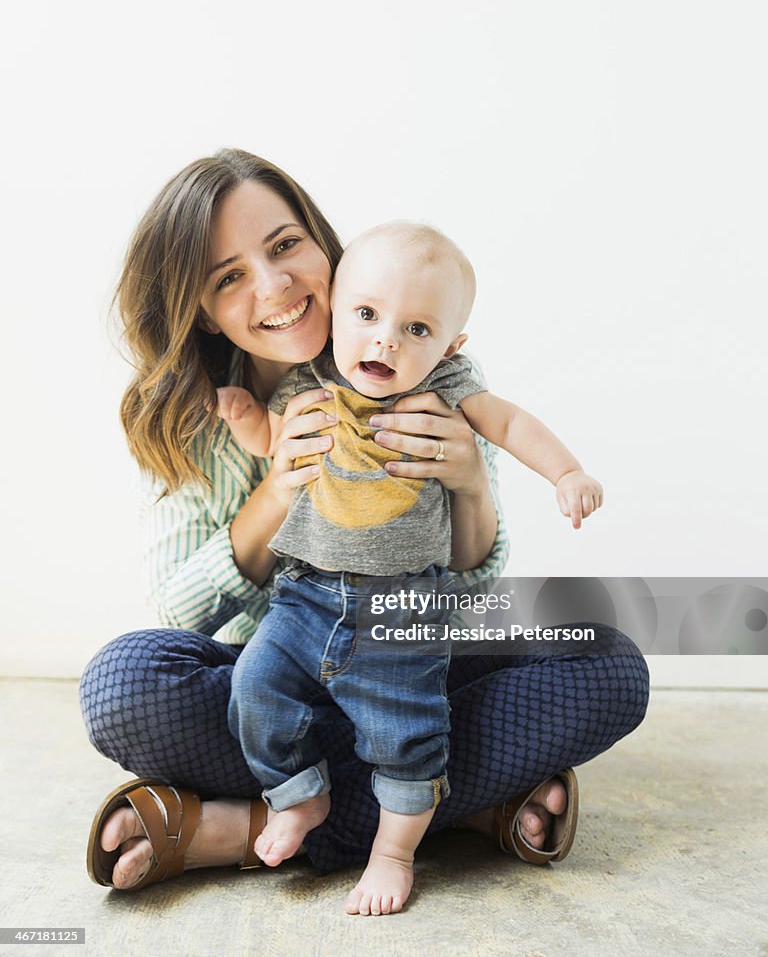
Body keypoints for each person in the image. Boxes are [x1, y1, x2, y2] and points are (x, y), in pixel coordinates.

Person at [80, 148, 649, 915]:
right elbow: (183, 613)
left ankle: (240, 828)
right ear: (200, 308)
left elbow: (472, 588)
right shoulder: (198, 416)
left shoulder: (413, 352)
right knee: (124, 684)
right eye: (229, 276)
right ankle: (447, 805)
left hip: (412, 638)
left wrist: (470, 484)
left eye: (284, 246)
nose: (275, 285)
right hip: (282, 674)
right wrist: (279, 488)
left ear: (323, 245)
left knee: (606, 656)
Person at [221, 220, 604, 914]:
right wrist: (249, 421)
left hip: (405, 608)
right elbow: (274, 446)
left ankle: (392, 852)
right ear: (335, 309)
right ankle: (298, 797)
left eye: (418, 329)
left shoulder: (452, 388)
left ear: (452, 346)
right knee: (252, 688)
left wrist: (566, 471)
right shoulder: (309, 378)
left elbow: (513, 426)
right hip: (302, 597)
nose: (386, 339)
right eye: (366, 315)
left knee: (408, 736)